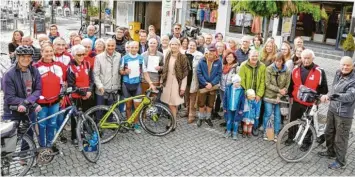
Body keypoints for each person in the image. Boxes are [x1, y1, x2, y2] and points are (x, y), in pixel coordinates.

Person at [286, 49, 328, 151]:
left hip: (311, 103)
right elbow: (291, 85)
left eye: (308, 58)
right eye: (304, 58)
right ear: (301, 58)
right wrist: (290, 96)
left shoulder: (319, 71)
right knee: (293, 120)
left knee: (310, 124)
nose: (306, 60)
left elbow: (324, 89)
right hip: (297, 101)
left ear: (312, 58)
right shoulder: (295, 70)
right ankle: (291, 137)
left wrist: (318, 96)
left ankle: (307, 142)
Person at [2, 46, 42, 152]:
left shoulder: (34, 71)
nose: (26, 59)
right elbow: (9, 97)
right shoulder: (9, 74)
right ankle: (6, 158)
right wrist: (25, 102)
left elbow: (38, 90)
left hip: (29, 107)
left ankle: (24, 155)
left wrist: (27, 102)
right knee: (10, 135)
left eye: (28, 56)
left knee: (28, 133)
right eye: (23, 56)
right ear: (17, 57)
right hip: (13, 109)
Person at [318, 56, 355, 169]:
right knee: (329, 132)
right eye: (343, 64)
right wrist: (328, 97)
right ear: (339, 65)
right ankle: (330, 152)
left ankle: (340, 161)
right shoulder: (338, 73)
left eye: (348, 65)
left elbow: (350, 96)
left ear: (352, 66)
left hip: (344, 114)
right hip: (332, 109)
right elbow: (334, 88)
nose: (345, 67)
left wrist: (331, 97)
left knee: (341, 138)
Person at [33, 44, 66, 148]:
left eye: (51, 51)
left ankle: (50, 144)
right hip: (41, 103)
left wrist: (62, 96)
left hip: (55, 102)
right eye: (46, 51)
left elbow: (63, 83)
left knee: (52, 124)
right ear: (42, 53)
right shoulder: (35, 67)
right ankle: (42, 146)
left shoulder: (59, 65)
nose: (49, 53)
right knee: (42, 125)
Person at [67, 44, 94, 144]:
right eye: (79, 55)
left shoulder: (87, 64)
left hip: (88, 94)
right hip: (76, 96)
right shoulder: (70, 67)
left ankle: (85, 134)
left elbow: (91, 79)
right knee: (76, 118)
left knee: (87, 115)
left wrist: (90, 90)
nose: (82, 56)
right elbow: (71, 84)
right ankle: (75, 137)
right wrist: (83, 93)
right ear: (73, 55)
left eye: (83, 54)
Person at [160, 38, 189, 129]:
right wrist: (162, 81)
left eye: (175, 44)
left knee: (173, 104)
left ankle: (173, 122)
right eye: (172, 44)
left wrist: (183, 88)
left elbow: (185, 74)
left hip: (177, 83)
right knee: (169, 103)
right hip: (168, 82)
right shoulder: (168, 55)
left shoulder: (183, 57)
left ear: (179, 46)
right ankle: (172, 120)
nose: (173, 46)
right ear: (170, 45)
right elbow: (165, 69)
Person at [119, 41, 146, 134]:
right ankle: (128, 122)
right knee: (128, 106)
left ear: (138, 48)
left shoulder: (141, 58)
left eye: (136, 47)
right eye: (132, 47)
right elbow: (120, 71)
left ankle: (136, 124)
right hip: (126, 84)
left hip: (137, 84)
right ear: (129, 48)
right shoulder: (124, 58)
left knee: (137, 106)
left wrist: (150, 82)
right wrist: (125, 72)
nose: (134, 49)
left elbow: (145, 71)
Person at [263, 54, 290, 141]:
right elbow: (267, 84)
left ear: (283, 61)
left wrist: (280, 95)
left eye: (280, 61)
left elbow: (287, 85)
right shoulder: (269, 69)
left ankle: (276, 132)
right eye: (276, 61)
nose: (278, 63)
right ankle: (266, 131)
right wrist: (279, 90)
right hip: (269, 95)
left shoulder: (287, 71)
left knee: (278, 115)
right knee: (268, 114)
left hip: (280, 97)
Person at [238, 49, 266, 135]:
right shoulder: (243, 65)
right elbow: (241, 81)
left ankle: (255, 127)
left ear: (259, 56)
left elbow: (263, 81)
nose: (254, 58)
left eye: (256, 56)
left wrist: (259, 94)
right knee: (244, 111)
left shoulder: (262, 66)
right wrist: (246, 93)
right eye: (253, 56)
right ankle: (242, 126)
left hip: (257, 94)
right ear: (249, 56)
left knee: (256, 112)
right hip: (246, 94)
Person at [196, 46, 222, 127]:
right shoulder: (202, 60)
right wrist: (205, 83)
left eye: (213, 51)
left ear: (215, 52)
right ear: (207, 51)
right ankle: (201, 118)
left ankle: (207, 118)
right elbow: (199, 73)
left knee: (210, 104)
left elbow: (219, 74)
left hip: (212, 87)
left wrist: (212, 84)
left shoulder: (218, 61)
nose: (211, 53)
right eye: (210, 51)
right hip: (203, 87)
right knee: (201, 103)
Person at [94, 39, 121, 115]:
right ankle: (98, 126)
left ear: (115, 46)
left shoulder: (119, 56)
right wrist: (100, 86)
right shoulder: (99, 57)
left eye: (112, 45)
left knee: (111, 112)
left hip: (113, 90)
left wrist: (118, 86)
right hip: (102, 90)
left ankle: (109, 126)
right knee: (99, 111)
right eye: (108, 45)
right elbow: (96, 74)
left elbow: (119, 72)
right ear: (105, 46)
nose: (110, 47)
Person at [185, 40, 204, 123]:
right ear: (188, 45)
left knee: (192, 98)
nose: (191, 47)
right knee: (186, 97)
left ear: (196, 46)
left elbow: (202, 68)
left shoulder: (200, 55)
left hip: (194, 79)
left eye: (193, 45)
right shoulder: (184, 53)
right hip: (185, 79)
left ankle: (191, 115)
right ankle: (187, 111)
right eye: (190, 45)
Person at [219, 52, 239, 125]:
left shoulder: (236, 67)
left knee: (230, 106)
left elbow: (238, 80)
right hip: (222, 89)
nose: (229, 58)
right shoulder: (223, 66)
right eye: (227, 57)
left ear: (234, 58)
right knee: (224, 105)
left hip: (231, 90)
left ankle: (231, 121)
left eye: (231, 57)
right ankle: (226, 120)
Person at [223, 74, 244, 139]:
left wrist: (241, 109)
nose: (238, 83)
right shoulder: (228, 88)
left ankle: (235, 133)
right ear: (233, 82)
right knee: (229, 120)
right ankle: (228, 131)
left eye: (239, 82)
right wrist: (224, 107)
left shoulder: (241, 90)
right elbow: (225, 98)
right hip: (229, 108)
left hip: (237, 109)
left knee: (236, 121)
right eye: (237, 82)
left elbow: (242, 101)